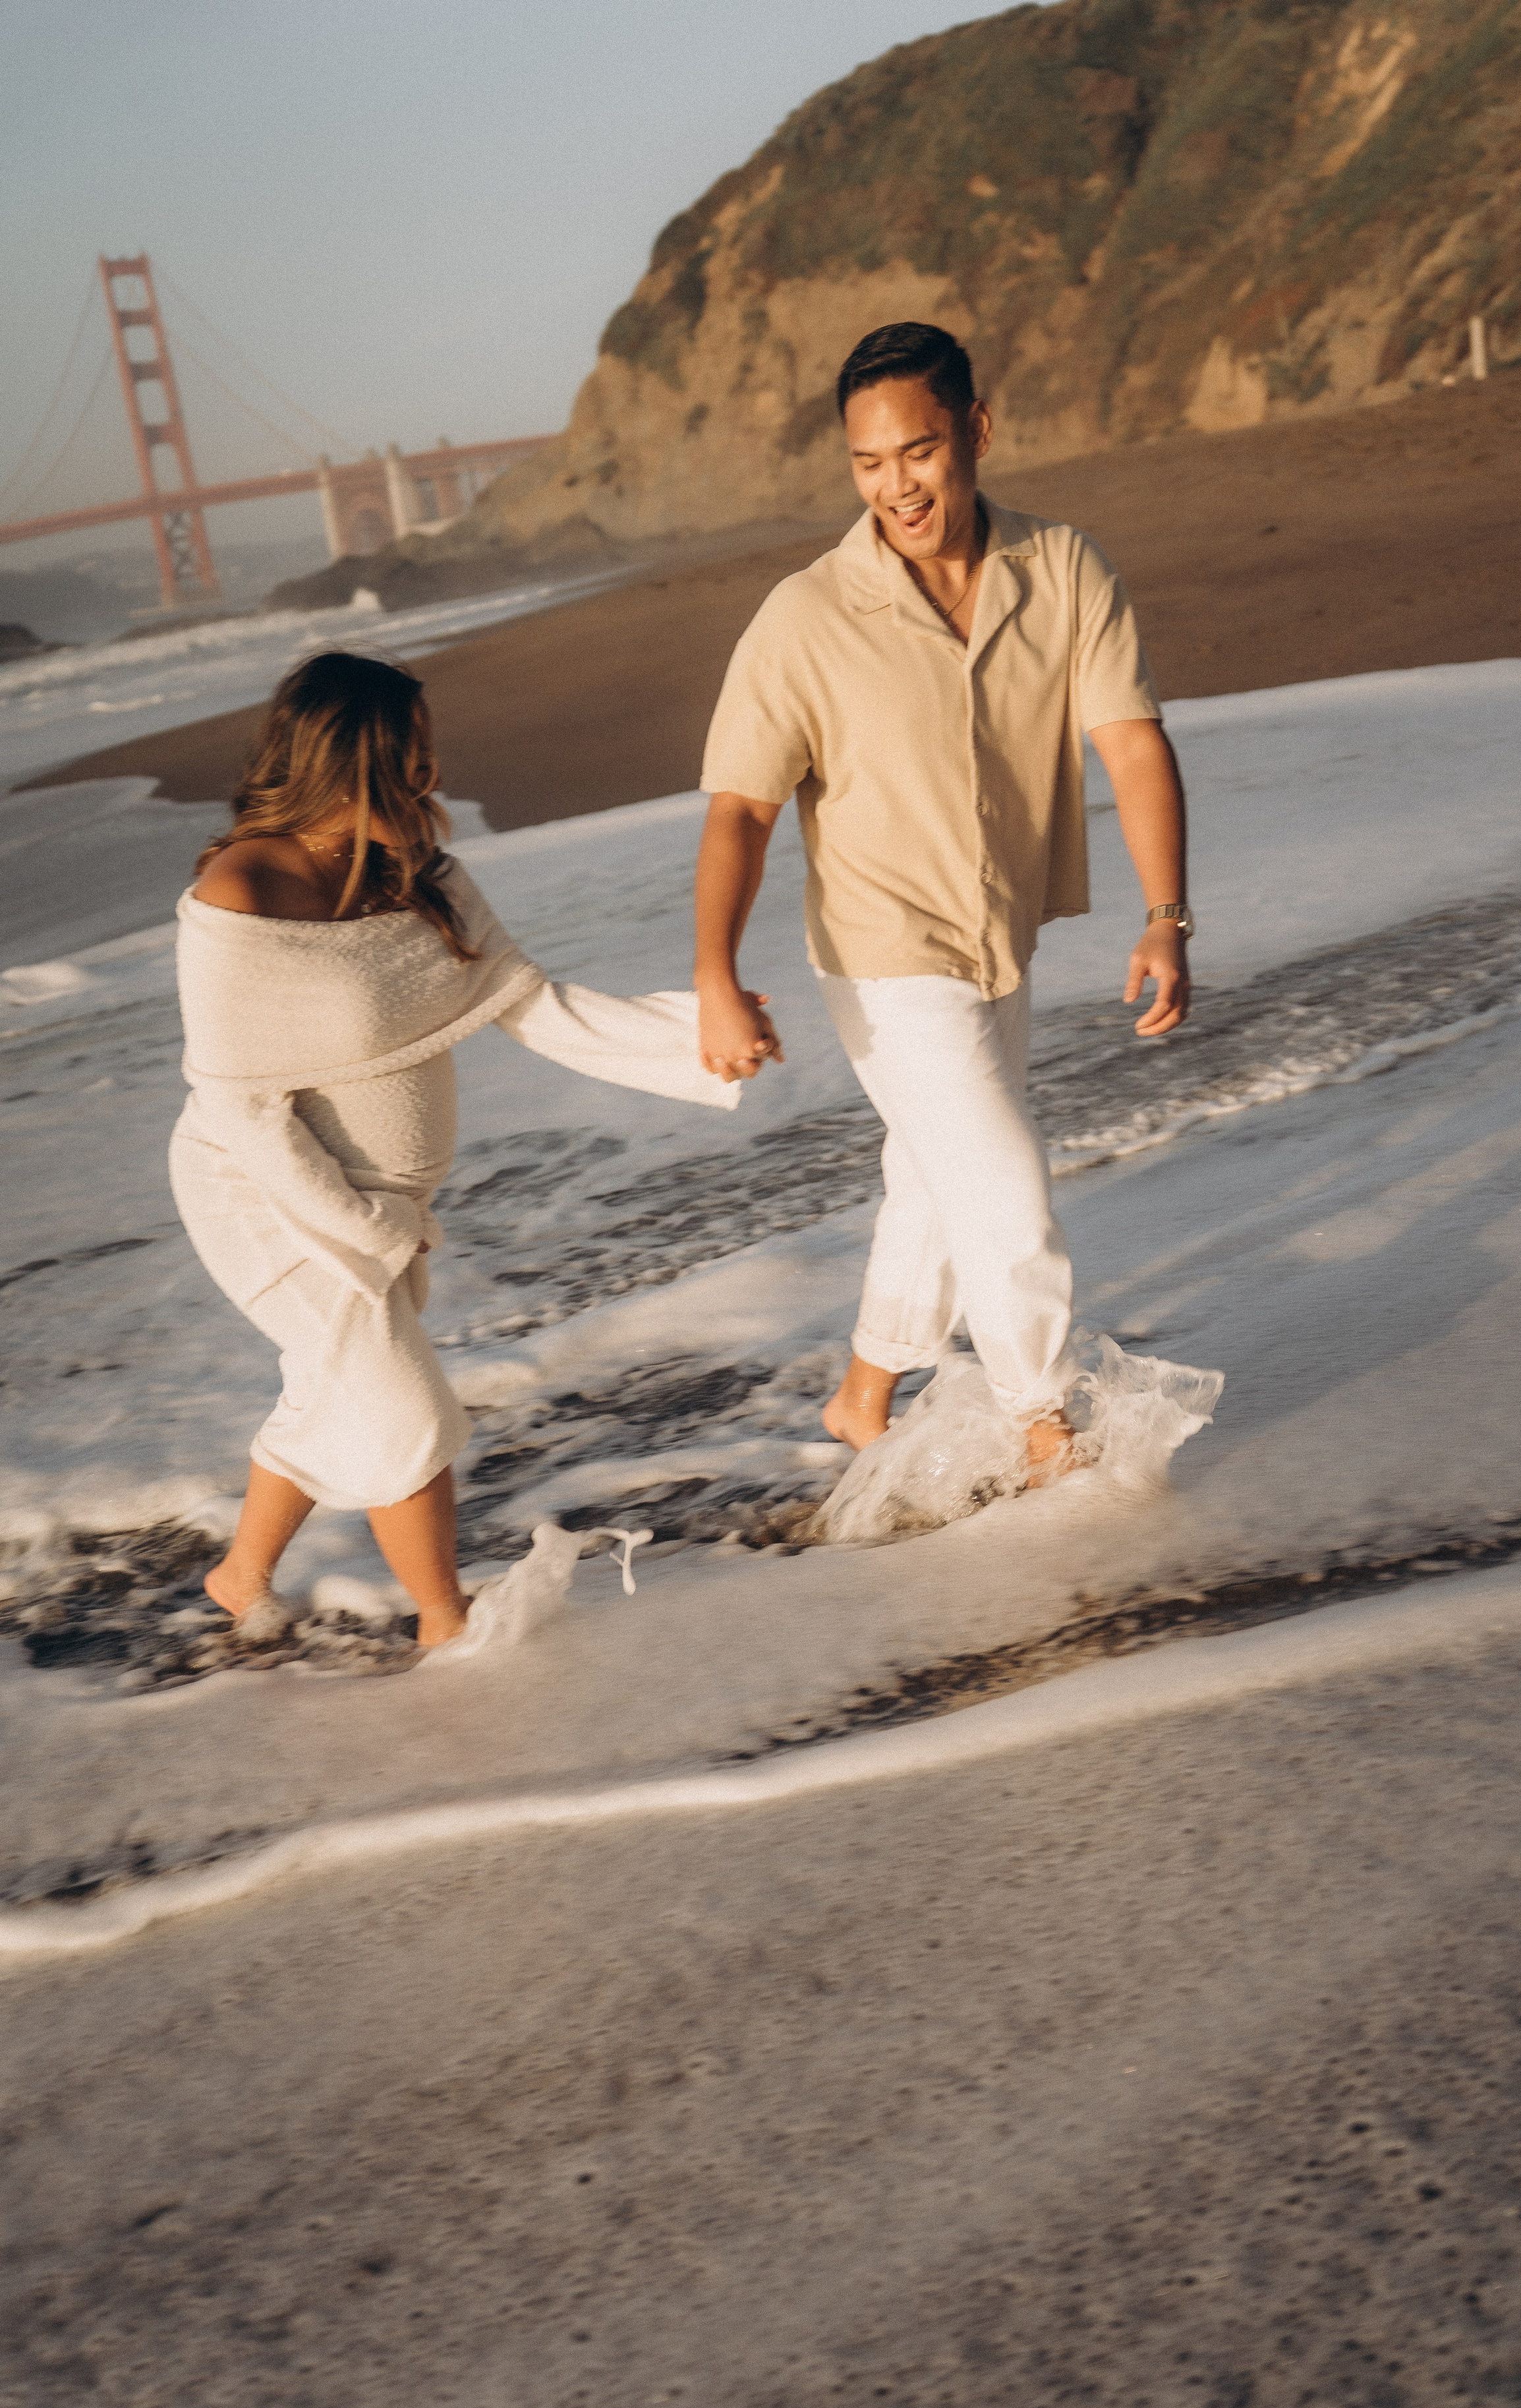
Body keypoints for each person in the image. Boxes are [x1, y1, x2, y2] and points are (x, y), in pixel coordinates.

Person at [693, 321, 1191, 1477]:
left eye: (918, 452)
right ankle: (1044, 1426)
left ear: (975, 429)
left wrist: (1167, 916)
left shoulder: (1062, 568)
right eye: (868, 464)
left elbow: (1131, 743)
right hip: (880, 955)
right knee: (1003, 1185)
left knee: (934, 1172)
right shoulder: (805, 617)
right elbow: (741, 812)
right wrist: (716, 974)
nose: (896, 487)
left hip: (998, 931)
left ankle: (863, 1395)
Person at [172, 649, 737, 1649]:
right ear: (349, 764)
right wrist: (366, 1228)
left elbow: (535, 1005)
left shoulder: (422, 878)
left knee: (337, 1382)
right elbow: (245, 1111)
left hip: (377, 1203)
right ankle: (447, 1625)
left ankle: (240, 1575)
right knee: (401, 1407)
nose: (431, 775)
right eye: (412, 755)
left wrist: (703, 1035)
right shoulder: (240, 890)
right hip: (265, 1193)